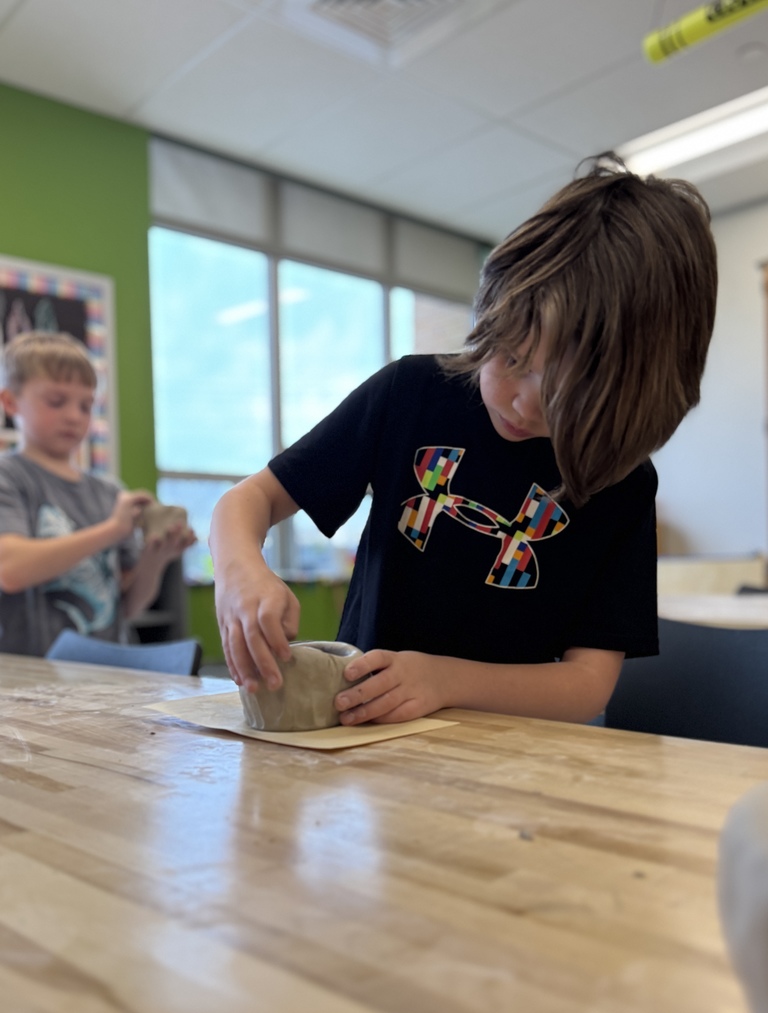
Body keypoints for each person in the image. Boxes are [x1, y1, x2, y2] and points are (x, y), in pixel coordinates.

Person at [210, 153, 718, 727]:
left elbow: (587, 684)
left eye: (562, 395)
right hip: (366, 742)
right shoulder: (413, 393)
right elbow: (246, 502)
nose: (522, 401)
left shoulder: (622, 481)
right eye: (513, 358)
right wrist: (239, 573)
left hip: (514, 757)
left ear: (632, 399)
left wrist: (445, 680)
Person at [0, 331, 195, 656]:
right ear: (10, 402)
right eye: (56, 401)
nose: (74, 416)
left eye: (86, 406)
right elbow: (10, 570)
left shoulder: (109, 492)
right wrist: (111, 531)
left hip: (105, 670)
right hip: (30, 681)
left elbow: (128, 606)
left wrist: (156, 559)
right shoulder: (10, 476)